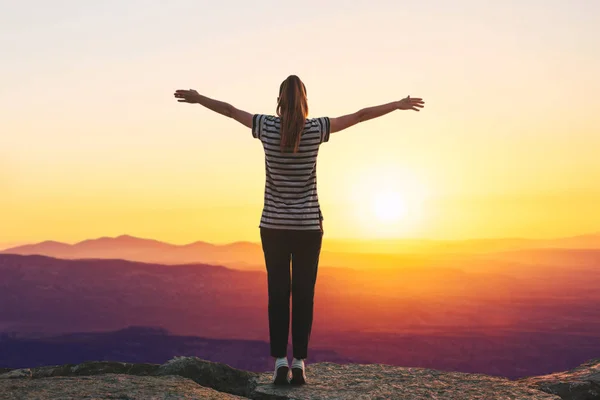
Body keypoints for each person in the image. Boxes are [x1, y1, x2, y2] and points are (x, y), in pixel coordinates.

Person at [173, 75, 425, 385]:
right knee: (304, 295)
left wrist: (199, 98)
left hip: (274, 226)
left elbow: (228, 109)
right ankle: (300, 362)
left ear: (279, 100)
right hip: (308, 228)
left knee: (278, 293)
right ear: (304, 101)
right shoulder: (316, 128)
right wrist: (396, 105)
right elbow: (359, 115)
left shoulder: (265, 126)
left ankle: (280, 360)